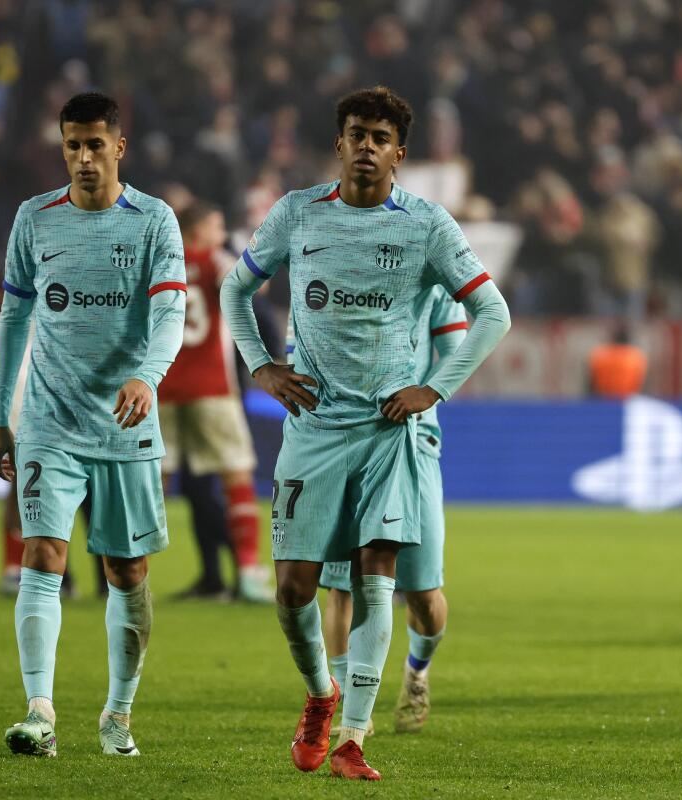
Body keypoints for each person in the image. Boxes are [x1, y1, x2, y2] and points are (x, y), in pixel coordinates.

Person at [221, 86, 510, 781]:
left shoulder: (426, 225)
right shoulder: (296, 214)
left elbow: (491, 312)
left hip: (390, 431)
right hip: (316, 427)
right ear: (340, 143)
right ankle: (321, 695)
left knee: (380, 580)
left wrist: (433, 387)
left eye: (381, 137)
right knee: (294, 587)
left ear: (400, 154)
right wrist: (260, 366)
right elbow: (235, 290)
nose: (368, 146)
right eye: (357, 133)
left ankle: (352, 734)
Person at [0, 92, 186, 757]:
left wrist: (146, 376)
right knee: (42, 554)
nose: (83, 157)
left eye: (95, 143)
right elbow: (13, 321)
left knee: (126, 573)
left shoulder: (155, 222)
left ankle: (117, 715)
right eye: (72, 144)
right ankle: (39, 712)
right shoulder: (34, 220)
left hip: (124, 423)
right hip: (48, 418)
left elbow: (169, 318)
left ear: (118, 147)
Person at [318, 284, 468, 736]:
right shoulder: (334, 269)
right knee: (342, 585)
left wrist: (429, 392)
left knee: (422, 592)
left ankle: (417, 670)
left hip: (412, 441)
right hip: (344, 440)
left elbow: (458, 355)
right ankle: (344, 696)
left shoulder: (436, 285)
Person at [159, 200, 271, 603]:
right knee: (236, 474)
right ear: (196, 232)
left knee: (152, 481)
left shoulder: (159, 261)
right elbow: (251, 283)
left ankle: (125, 570)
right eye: (215, 226)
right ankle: (247, 572)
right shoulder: (214, 259)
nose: (221, 235)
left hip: (162, 388)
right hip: (212, 388)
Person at [588, 323, 647, 399]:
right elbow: (641, 384)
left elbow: (591, 383)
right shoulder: (636, 356)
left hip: (602, 400)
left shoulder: (600, 354)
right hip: (627, 400)